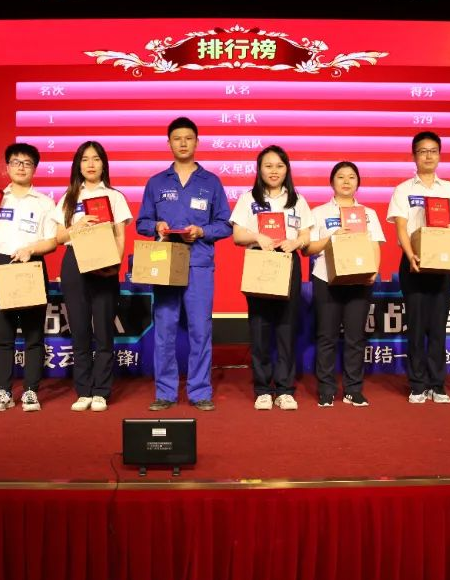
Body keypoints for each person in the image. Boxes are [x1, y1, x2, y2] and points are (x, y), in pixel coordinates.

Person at [135, 117, 232, 411]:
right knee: (164, 330)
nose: (183, 143)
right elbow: (142, 222)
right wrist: (157, 226)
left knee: (200, 330)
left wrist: (202, 231)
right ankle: (165, 392)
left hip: (199, 264)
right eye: (177, 138)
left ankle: (200, 391)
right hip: (165, 264)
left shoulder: (211, 182)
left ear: (197, 142)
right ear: (169, 143)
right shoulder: (156, 182)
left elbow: (225, 225)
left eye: (188, 138)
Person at [386, 131, 450, 404]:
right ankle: (417, 384)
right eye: (423, 151)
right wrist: (410, 254)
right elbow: (400, 226)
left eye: (433, 151)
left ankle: (438, 384)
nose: (428, 156)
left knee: (438, 327)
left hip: (443, 265)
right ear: (414, 156)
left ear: (439, 155)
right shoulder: (404, 189)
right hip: (414, 263)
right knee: (416, 325)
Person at [0, 142, 57, 412]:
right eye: (16, 162)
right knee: (3, 334)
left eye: (27, 163)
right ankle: (4, 391)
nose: (21, 167)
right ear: (7, 166)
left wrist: (30, 250)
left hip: (31, 264)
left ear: (35, 168)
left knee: (33, 334)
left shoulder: (45, 202)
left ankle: (31, 391)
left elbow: (52, 241)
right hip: (2, 264)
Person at [230, 145, 314, 410]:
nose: (274, 171)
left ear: (287, 169)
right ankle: (263, 389)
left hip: (288, 262)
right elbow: (237, 236)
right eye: (268, 166)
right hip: (260, 261)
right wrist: (258, 236)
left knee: (287, 327)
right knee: (260, 327)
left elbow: (306, 234)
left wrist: (295, 242)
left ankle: (286, 389)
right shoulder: (248, 199)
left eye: (279, 166)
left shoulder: (297, 200)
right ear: (259, 169)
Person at [51, 141, 132, 411]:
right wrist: (77, 225)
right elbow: (58, 237)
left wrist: (114, 264)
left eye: (96, 159)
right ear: (78, 165)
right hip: (74, 262)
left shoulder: (115, 197)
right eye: (85, 159)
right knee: (80, 329)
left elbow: (120, 236)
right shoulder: (69, 197)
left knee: (104, 330)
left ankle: (101, 391)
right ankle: (83, 391)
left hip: (104, 263)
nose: (90, 164)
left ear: (104, 164)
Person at [305, 161, 385, 407]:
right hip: (326, 279)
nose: (346, 181)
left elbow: (375, 244)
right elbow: (308, 249)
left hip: (359, 279)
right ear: (332, 182)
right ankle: (326, 389)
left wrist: (374, 270)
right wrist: (331, 238)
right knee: (326, 336)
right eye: (341, 176)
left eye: (352, 177)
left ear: (358, 182)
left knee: (355, 337)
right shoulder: (318, 213)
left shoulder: (368, 214)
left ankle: (353, 389)